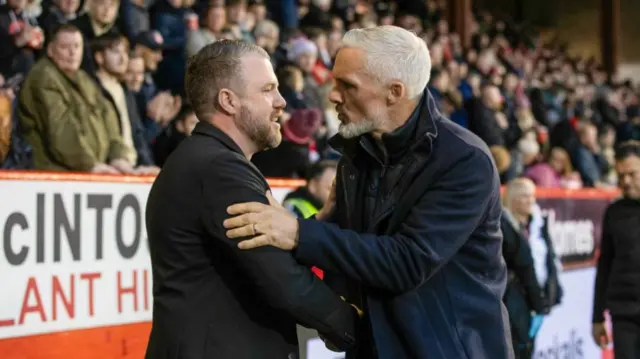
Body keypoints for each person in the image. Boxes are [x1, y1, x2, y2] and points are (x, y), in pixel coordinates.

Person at [223, 25, 513, 359]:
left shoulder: (464, 159)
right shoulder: (356, 151)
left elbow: (407, 262)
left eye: (347, 85)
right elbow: (346, 245)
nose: (332, 94)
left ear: (394, 91)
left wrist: (299, 231)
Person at [144, 40, 359, 359]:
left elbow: (260, 256)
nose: (281, 101)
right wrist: (355, 326)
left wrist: (318, 223)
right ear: (228, 101)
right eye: (268, 89)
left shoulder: (205, 161)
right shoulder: (220, 170)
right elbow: (278, 275)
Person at [501, 178, 563, 359]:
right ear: (512, 198)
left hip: (533, 300)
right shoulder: (505, 226)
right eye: (525, 196)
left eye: (533, 196)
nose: (531, 201)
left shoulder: (538, 224)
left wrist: (548, 298)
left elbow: (549, 260)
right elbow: (523, 268)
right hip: (513, 302)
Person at [592, 141, 640, 359]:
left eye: (632, 174)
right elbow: (605, 265)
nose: (626, 181)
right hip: (624, 314)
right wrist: (597, 316)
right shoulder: (613, 212)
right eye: (621, 175)